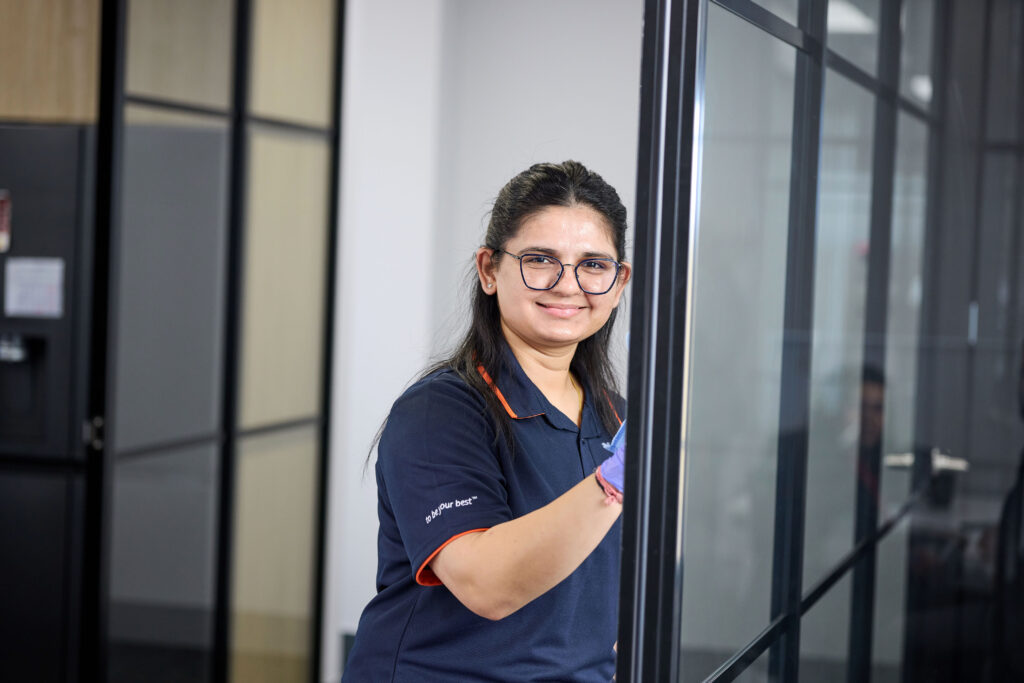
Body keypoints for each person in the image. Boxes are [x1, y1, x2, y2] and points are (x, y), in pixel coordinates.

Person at [342, 161, 632, 682]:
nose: (568, 285)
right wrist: (613, 483)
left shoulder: (616, 417)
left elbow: (611, 593)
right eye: (541, 259)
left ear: (618, 282)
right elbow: (486, 585)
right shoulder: (440, 413)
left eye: (593, 265)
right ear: (489, 270)